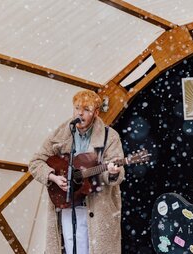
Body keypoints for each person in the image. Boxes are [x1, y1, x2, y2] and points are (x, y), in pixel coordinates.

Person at [29, 90, 125, 254]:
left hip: (98, 206)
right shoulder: (59, 134)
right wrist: (54, 177)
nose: (80, 113)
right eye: (77, 108)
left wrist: (112, 172)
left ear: (95, 112)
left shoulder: (110, 137)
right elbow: (35, 163)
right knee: (71, 246)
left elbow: (117, 173)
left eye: (86, 109)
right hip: (67, 203)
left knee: (96, 248)